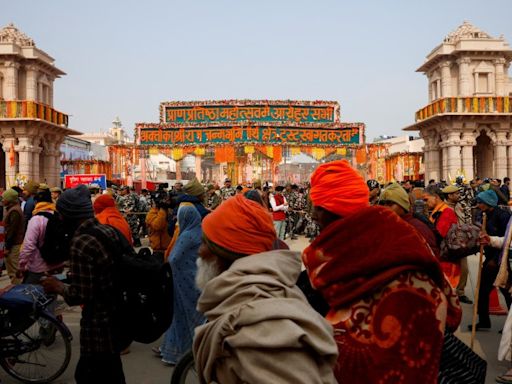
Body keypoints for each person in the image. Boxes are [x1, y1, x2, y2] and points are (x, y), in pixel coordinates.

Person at [302, 160, 461, 384]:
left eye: (317, 206)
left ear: (327, 209)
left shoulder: (375, 243)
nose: (314, 215)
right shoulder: (392, 235)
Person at [194, 194, 338, 383]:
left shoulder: (260, 328)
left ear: (222, 254)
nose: (199, 251)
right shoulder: (246, 302)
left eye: (206, 243)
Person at [41, 185, 126, 383]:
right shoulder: (107, 231)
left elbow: (80, 295)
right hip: (118, 318)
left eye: (61, 214)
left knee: (89, 376)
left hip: (98, 327)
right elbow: (100, 272)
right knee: (114, 374)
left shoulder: (81, 242)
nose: (59, 219)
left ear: (69, 216)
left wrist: (57, 286)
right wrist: (69, 273)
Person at [154, 204, 205, 365]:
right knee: (191, 314)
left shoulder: (187, 235)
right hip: (196, 278)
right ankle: (176, 348)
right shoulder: (201, 232)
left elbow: (174, 258)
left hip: (182, 282)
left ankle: (177, 353)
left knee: (179, 315)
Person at [471, 189, 512, 331]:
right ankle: (484, 321)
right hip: (489, 257)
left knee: (506, 291)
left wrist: (495, 260)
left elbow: (507, 241)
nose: (478, 204)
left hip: (501, 260)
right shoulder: (482, 215)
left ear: (488, 203)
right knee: (482, 289)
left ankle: (509, 326)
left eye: (481, 202)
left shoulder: (503, 216)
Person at [379, 182, 440, 257]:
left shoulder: (418, 228)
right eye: (382, 204)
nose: (385, 207)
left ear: (403, 205)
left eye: (390, 203)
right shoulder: (385, 226)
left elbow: (430, 259)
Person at [18, 186, 63, 283]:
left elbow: (28, 246)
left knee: (32, 295)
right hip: (57, 264)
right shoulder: (58, 216)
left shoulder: (36, 219)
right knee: (51, 294)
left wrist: (21, 265)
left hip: (39, 267)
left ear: (36, 203)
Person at [423, 184, 460, 287]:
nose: (425, 203)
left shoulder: (446, 212)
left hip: (446, 262)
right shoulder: (437, 211)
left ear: (436, 197)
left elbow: (438, 236)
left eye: (426, 199)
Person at [2, 188, 25, 284]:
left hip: (14, 244)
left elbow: (12, 231)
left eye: (4, 198)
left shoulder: (14, 211)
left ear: (10, 199)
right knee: (11, 268)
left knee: (14, 269)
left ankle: (19, 290)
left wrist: (7, 247)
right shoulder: (12, 208)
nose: (2, 200)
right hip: (13, 243)